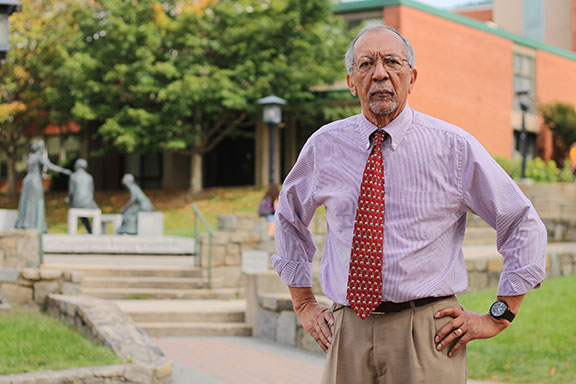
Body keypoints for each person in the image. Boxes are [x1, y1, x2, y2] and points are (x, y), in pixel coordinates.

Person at [271, 25, 547, 383]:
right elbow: (289, 217)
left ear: (411, 77)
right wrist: (304, 304)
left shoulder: (453, 148)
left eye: (392, 62)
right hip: (349, 332)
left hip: (428, 336)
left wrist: (499, 315)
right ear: (352, 82)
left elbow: (521, 223)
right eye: (366, 64)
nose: (380, 73)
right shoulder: (324, 146)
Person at [15, 140, 72, 232]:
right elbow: (50, 166)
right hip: (35, 181)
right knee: (37, 202)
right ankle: (36, 225)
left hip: (27, 181)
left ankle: (25, 223)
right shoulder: (39, 157)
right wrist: (64, 170)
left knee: (27, 203)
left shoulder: (31, 157)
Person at [68, 158, 99, 234]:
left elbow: (71, 192)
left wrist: (70, 201)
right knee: (96, 208)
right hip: (88, 202)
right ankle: (91, 230)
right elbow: (92, 191)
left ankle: (90, 230)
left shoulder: (73, 176)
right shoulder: (89, 177)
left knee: (77, 206)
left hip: (77, 202)